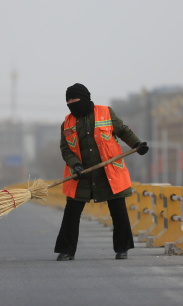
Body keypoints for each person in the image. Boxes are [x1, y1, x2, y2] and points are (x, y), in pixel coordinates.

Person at [54, 83, 149, 261]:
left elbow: (123, 130)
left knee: (118, 210)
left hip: (108, 171)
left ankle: (122, 248)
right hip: (81, 173)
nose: (71, 103)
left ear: (84, 98)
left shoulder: (105, 112)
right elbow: (65, 150)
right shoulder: (66, 123)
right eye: (68, 100)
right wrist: (75, 165)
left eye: (74, 99)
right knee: (72, 211)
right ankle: (66, 250)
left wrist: (137, 145)